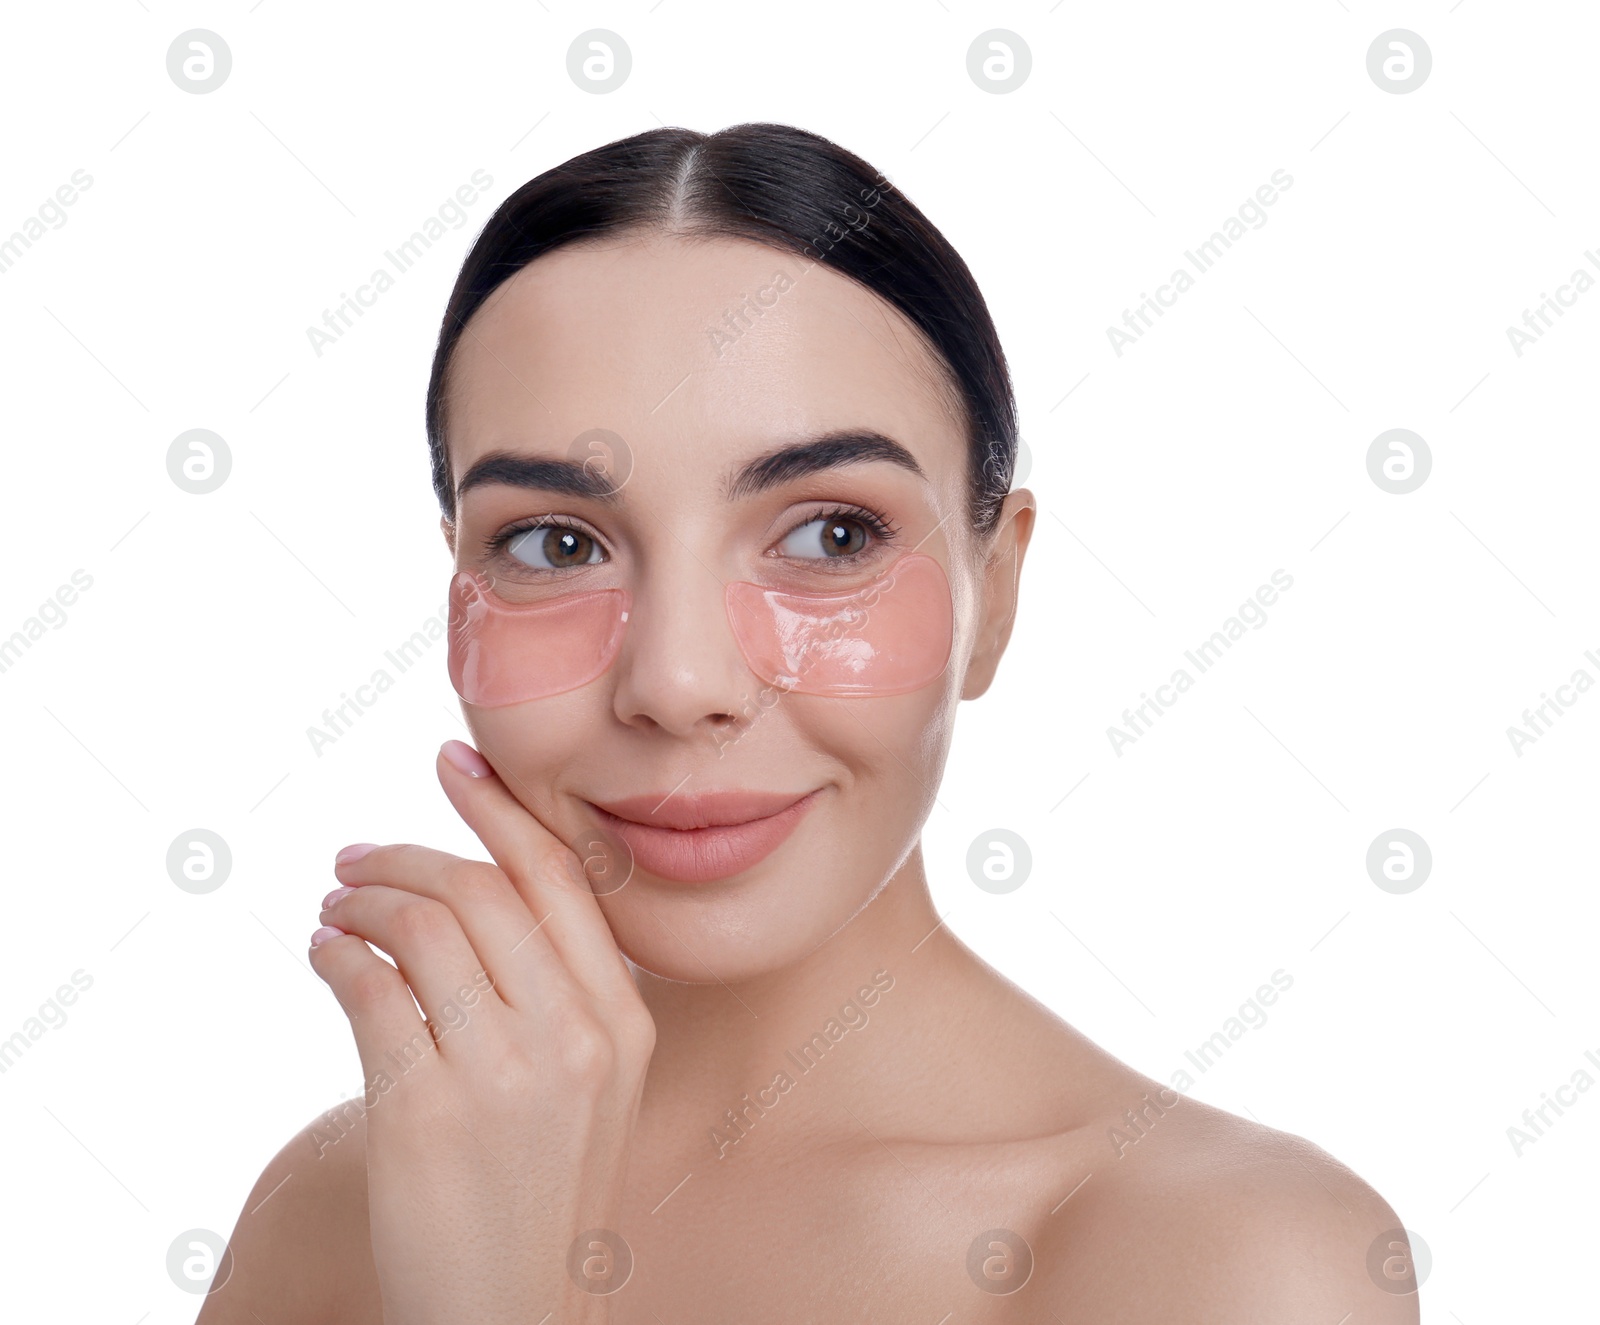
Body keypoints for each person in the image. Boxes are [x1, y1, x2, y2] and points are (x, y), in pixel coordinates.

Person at [198, 122, 1418, 1324]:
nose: (677, 682)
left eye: (833, 535)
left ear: (995, 592)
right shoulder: (336, 1209)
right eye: (554, 543)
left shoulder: (1228, 1261)